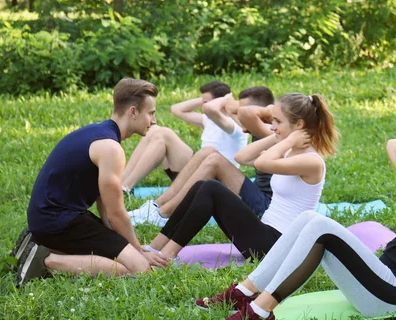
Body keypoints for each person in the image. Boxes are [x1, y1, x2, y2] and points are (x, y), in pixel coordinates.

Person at [196, 120, 396, 320]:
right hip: (384, 280)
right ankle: (246, 292)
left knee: (321, 227)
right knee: (308, 219)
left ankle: (259, 312)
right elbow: (395, 147)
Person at [143, 93, 339, 265]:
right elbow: (241, 157)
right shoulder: (287, 150)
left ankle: (166, 257)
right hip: (265, 234)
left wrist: (287, 139)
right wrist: (281, 137)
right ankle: (155, 247)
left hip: (277, 246)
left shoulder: (311, 161)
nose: (272, 127)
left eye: (278, 122)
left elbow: (262, 164)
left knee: (211, 188)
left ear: (299, 125)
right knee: (203, 186)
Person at [15, 78, 170, 286]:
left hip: (51, 218)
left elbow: (103, 201)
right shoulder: (110, 148)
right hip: (57, 222)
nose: (154, 120)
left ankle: (41, 246)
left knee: (118, 256)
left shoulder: (98, 133)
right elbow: (117, 213)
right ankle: (45, 260)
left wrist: (112, 237)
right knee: (140, 269)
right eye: (151, 113)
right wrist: (138, 250)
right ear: (133, 112)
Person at [129, 86, 276, 225]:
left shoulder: (271, 130)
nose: (239, 116)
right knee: (208, 151)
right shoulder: (258, 128)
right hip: (256, 194)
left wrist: (228, 100)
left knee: (214, 159)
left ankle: (164, 214)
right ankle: (157, 206)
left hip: (266, 206)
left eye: (241, 111)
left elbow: (241, 117)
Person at [120, 80, 248, 192]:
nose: (203, 106)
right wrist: (204, 99)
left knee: (165, 134)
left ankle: (126, 187)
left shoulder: (234, 126)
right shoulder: (208, 120)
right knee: (153, 130)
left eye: (206, 102)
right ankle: (121, 184)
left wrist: (225, 100)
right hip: (196, 169)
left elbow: (210, 109)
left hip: (215, 176)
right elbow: (176, 109)